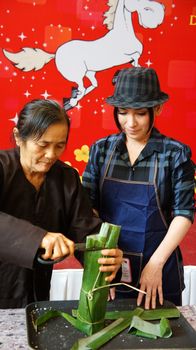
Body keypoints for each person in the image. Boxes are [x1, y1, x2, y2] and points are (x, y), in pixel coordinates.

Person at [82, 67, 195, 309]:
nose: (130, 123)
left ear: (158, 109)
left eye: (141, 114)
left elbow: (184, 214)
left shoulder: (175, 154)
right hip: (110, 265)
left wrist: (155, 264)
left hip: (159, 265)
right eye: (123, 113)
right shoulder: (101, 150)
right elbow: (87, 207)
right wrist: (104, 259)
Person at [0, 99, 123, 308]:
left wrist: (107, 256)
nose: (51, 155)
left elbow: (85, 230)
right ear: (18, 137)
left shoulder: (66, 178)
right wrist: (40, 237)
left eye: (59, 145)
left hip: (36, 298)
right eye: (43, 145)